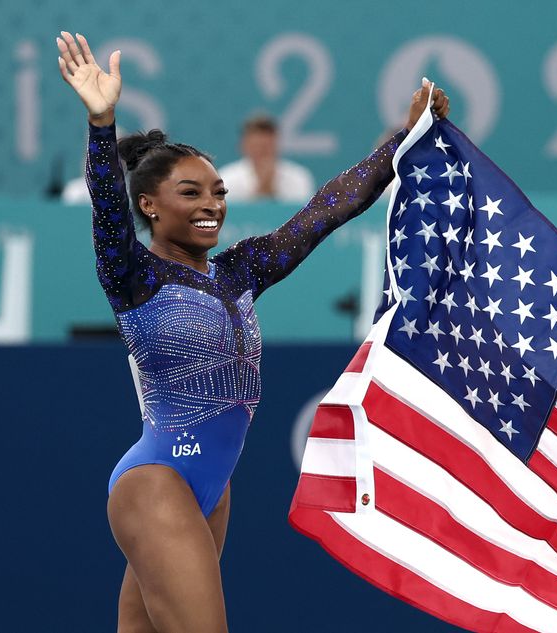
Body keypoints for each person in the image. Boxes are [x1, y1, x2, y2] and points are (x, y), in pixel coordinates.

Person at [55, 31, 449, 632]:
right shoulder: (132, 273)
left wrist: (404, 138)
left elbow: (327, 209)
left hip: (211, 489)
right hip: (156, 481)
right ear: (151, 206)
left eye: (218, 191)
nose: (210, 204)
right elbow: (108, 208)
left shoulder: (239, 272)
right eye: (190, 193)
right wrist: (101, 121)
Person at [217, 114, 315, 202]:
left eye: (266, 147)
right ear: (243, 146)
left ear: (277, 145)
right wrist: (262, 190)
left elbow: (304, 217)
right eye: (256, 147)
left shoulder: (299, 178)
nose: (261, 152)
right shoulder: (227, 179)